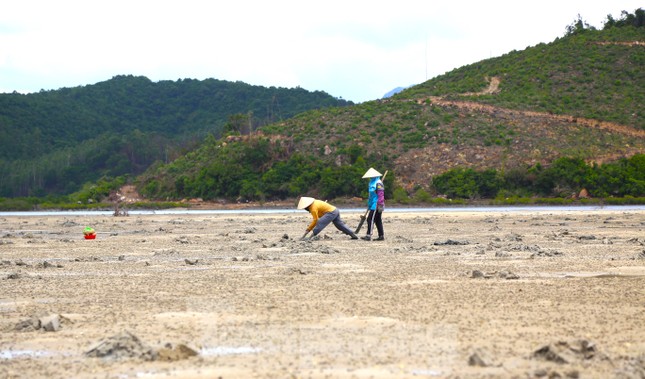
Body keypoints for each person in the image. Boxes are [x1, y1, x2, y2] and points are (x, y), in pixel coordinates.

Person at [361, 168, 385, 241]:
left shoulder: (378, 183)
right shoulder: (371, 182)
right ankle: (381, 236)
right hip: (372, 204)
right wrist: (369, 203)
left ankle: (368, 235)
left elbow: (381, 194)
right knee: (377, 220)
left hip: (377, 204)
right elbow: (371, 195)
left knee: (370, 219)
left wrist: (380, 204)